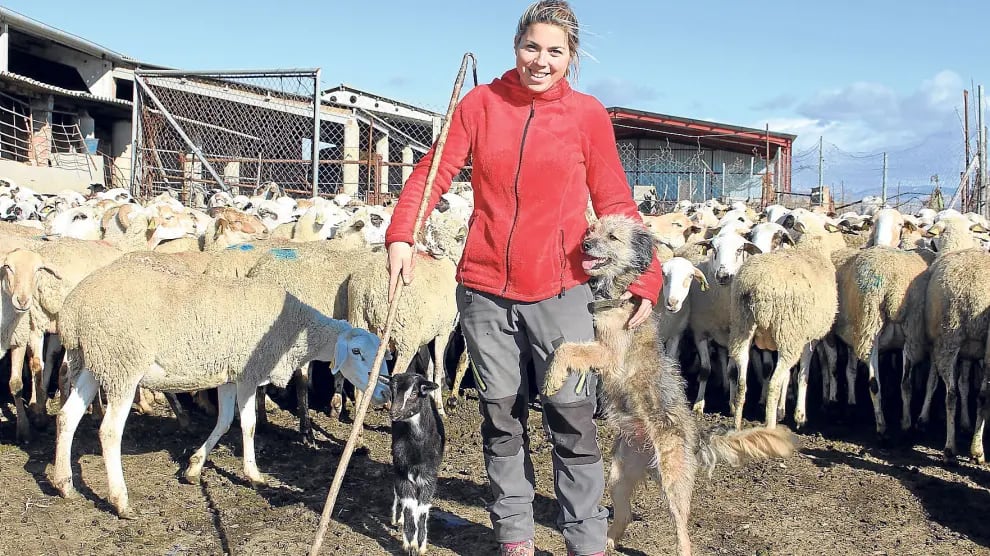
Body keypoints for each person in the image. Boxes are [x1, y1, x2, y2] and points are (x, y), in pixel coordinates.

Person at [384, 2, 663, 555]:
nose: (541, 61)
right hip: (485, 290)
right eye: (531, 47)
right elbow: (434, 170)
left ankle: (586, 538)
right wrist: (402, 232)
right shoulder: (481, 103)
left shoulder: (587, 116)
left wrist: (646, 276)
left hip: (562, 290)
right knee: (500, 416)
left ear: (572, 58)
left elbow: (614, 200)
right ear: (516, 46)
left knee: (572, 416)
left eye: (554, 52)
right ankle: (515, 535)